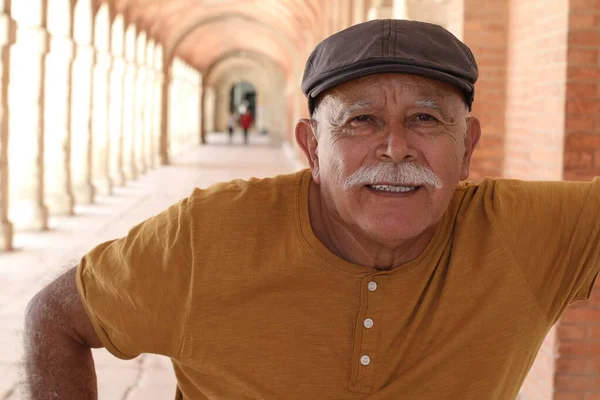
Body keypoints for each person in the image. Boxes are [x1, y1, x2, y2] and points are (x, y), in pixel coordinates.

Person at [23, 19, 600, 399]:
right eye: (360, 120)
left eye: (426, 119)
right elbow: (56, 318)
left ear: (468, 147)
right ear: (310, 147)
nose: (396, 147)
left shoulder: (523, 234)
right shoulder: (207, 238)